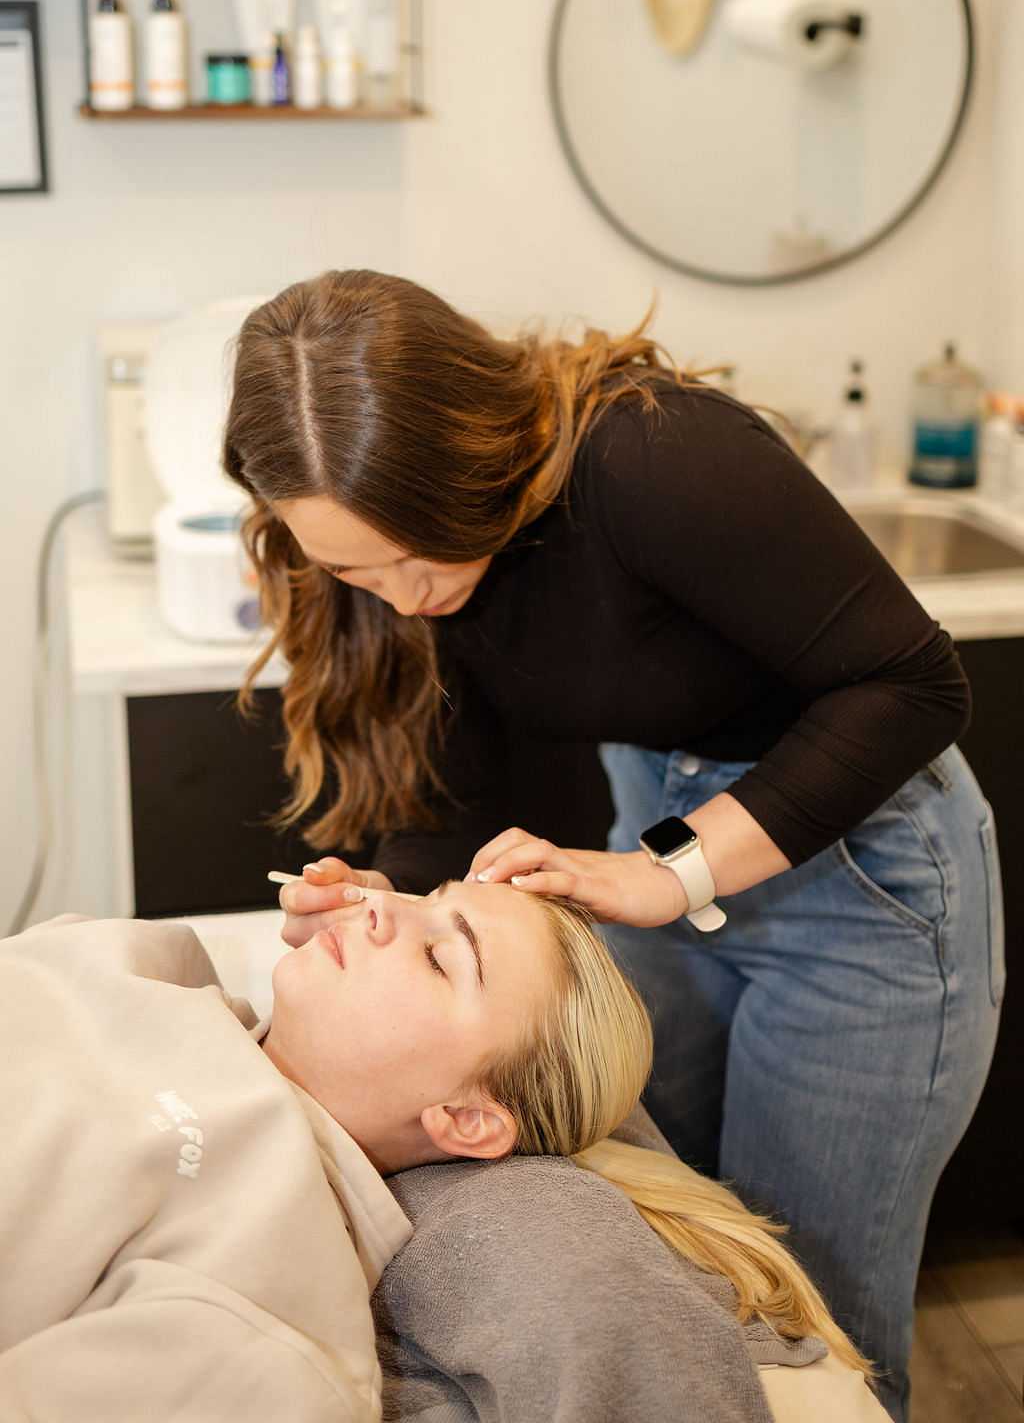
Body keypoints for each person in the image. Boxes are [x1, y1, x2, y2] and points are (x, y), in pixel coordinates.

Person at [223, 269, 1004, 1422]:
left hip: (859, 874)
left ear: (469, 456)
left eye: (412, 552)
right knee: (675, 1245)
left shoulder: (650, 459)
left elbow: (913, 683)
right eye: (351, 571)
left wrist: (667, 869)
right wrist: (380, 898)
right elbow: (458, 785)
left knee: (811, 1317)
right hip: (663, 860)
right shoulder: (388, 564)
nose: (400, 597)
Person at [0, 882, 884, 1422]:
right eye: (427, 899)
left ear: (467, 1120)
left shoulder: (268, 1284)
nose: (376, 904)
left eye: (439, 957)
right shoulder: (150, 959)